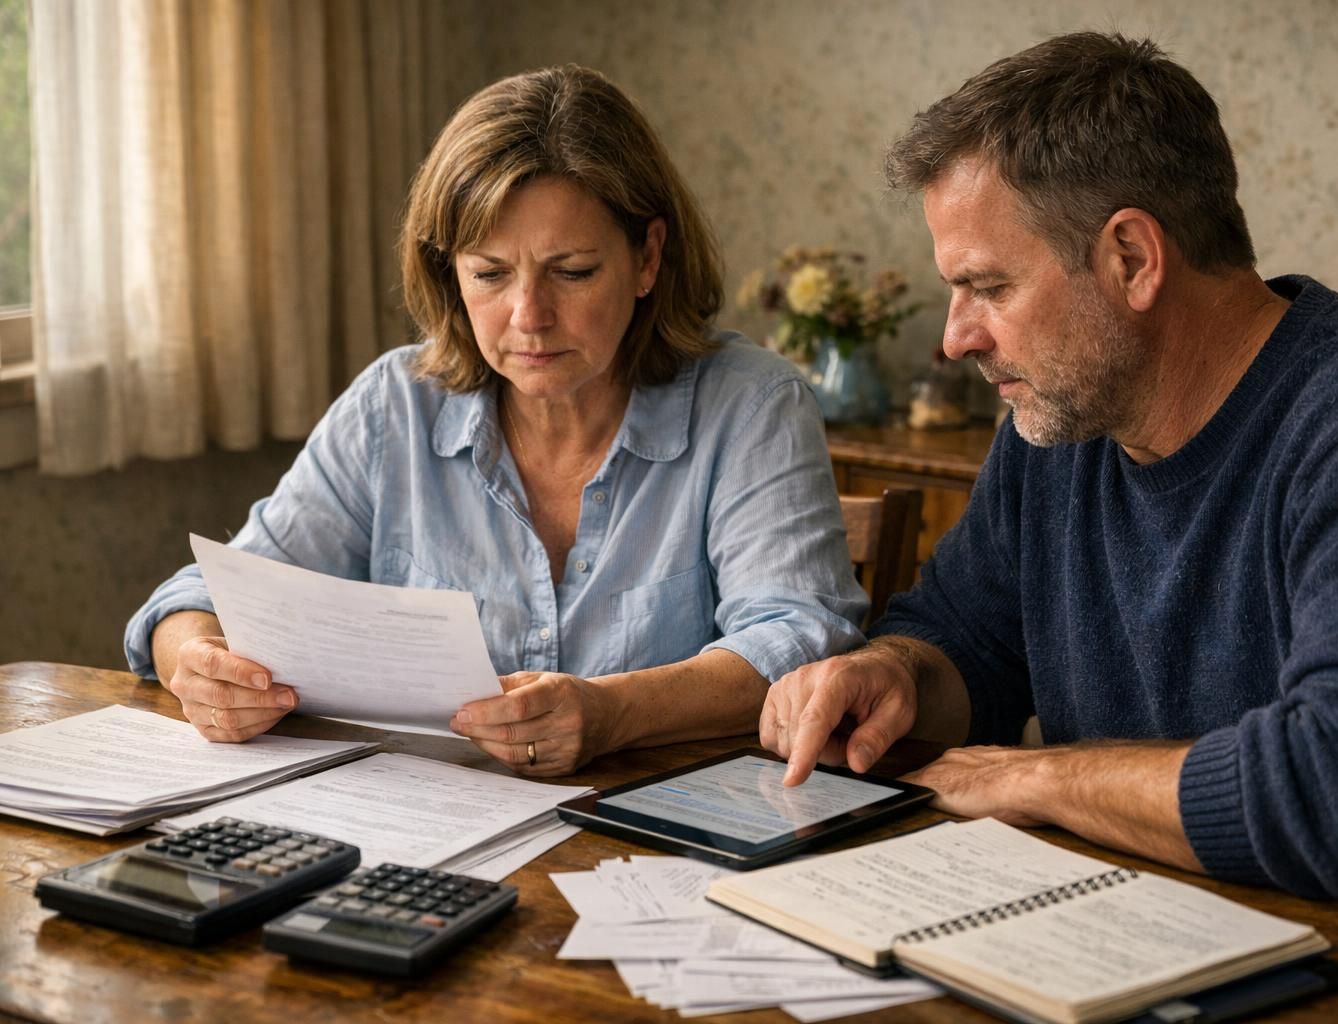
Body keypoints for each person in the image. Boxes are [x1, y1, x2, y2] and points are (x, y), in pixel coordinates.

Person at [761, 31, 1338, 906]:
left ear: (1131, 258)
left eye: (989, 287)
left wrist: (1041, 778)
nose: (955, 338)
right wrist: (897, 674)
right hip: (1139, 925)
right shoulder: (1055, 426)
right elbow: (968, 644)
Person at [126, 65, 868, 776]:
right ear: (450, 271)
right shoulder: (395, 405)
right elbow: (207, 596)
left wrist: (613, 712)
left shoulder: (752, 405)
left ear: (647, 257)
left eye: (571, 272)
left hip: (665, 843)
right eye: (489, 274)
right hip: (424, 831)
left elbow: (797, 640)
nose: (529, 319)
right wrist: (196, 661)